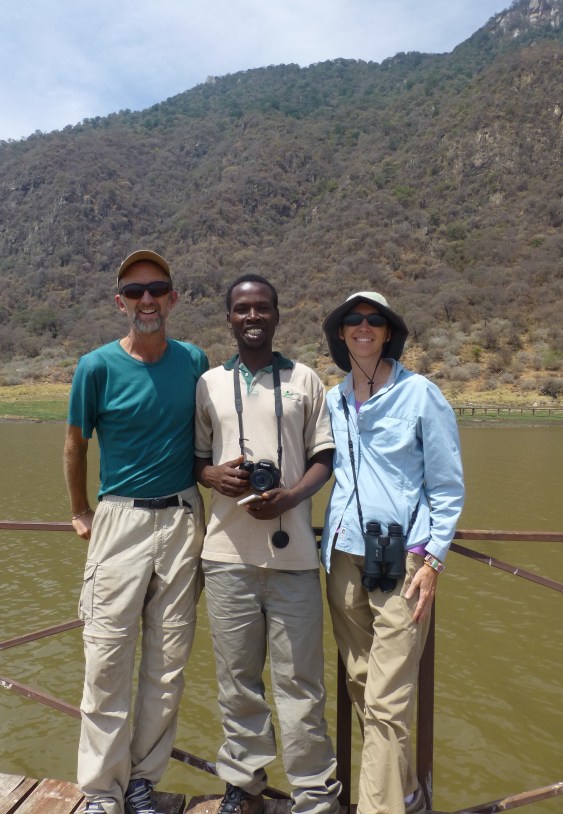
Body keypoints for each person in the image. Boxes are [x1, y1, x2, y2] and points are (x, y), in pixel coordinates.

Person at [63, 250, 208, 814]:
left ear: (173, 298)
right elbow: (76, 444)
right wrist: (80, 511)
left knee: (168, 665)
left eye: (157, 289)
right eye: (135, 291)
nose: (147, 300)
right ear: (119, 301)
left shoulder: (194, 360)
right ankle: (102, 791)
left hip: (181, 519)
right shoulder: (95, 367)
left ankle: (143, 780)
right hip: (119, 518)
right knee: (106, 662)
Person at [194, 275, 341, 814]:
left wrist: (290, 497)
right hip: (226, 557)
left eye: (262, 308)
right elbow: (197, 458)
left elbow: (325, 456)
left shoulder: (305, 380)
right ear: (228, 318)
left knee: (301, 684)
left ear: (278, 315)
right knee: (236, 683)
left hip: (294, 555)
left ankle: (314, 797)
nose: (252, 316)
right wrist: (213, 477)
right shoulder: (208, 383)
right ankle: (244, 786)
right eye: (241, 309)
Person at [321, 291, 465, 814]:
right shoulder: (333, 397)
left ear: (387, 332)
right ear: (341, 333)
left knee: (386, 700)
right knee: (362, 683)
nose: (363, 328)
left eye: (373, 321)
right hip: (344, 559)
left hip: (404, 560)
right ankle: (405, 792)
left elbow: (448, 487)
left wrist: (434, 561)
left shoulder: (421, 394)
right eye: (353, 321)